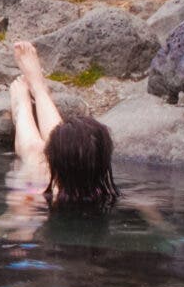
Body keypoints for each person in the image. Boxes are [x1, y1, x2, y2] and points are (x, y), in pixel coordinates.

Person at [6, 38, 117, 214]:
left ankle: (22, 105)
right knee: (72, 143)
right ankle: (38, 87)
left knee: (34, 152)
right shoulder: (104, 194)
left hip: (39, 190)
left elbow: (8, 232)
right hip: (63, 179)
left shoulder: (32, 200)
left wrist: (19, 210)